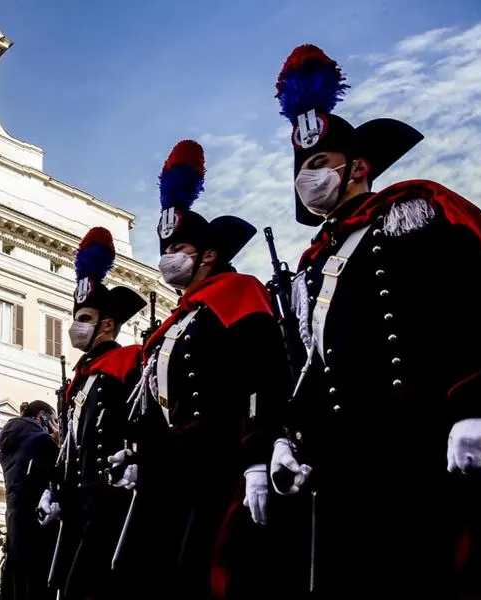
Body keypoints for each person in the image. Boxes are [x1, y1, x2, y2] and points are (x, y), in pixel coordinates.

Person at [269, 44, 481, 598]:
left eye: (319, 163)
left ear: (359, 166)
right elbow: (312, 365)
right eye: (303, 167)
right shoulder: (312, 265)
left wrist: (480, 404)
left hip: (422, 443)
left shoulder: (413, 210)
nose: (309, 176)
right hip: (347, 463)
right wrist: (288, 437)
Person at [109, 140, 292, 600]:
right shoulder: (173, 322)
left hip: (218, 457)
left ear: (208, 254)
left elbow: (264, 376)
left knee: (205, 570)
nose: (168, 257)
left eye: (178, 248)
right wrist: (135, 452)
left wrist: (255, 455)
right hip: (168, 467)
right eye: (165, 248)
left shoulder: (238, 293)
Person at [38, 226, 146, 600]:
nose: (75, 327)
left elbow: (145, 419)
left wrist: (137, 456)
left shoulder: (128, 361)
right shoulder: (79, 379)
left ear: (107, 325)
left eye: (84, 318)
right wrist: (53, 489)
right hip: (79, 499)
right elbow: (70, 444)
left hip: (113, 494)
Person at [0, 400, 59, 600]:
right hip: (38, 521)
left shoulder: (9, 444)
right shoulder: (41, 441)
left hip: (15, 517)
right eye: (54, 419)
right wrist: (57, 443)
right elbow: (57, 476)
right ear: (43, 416)